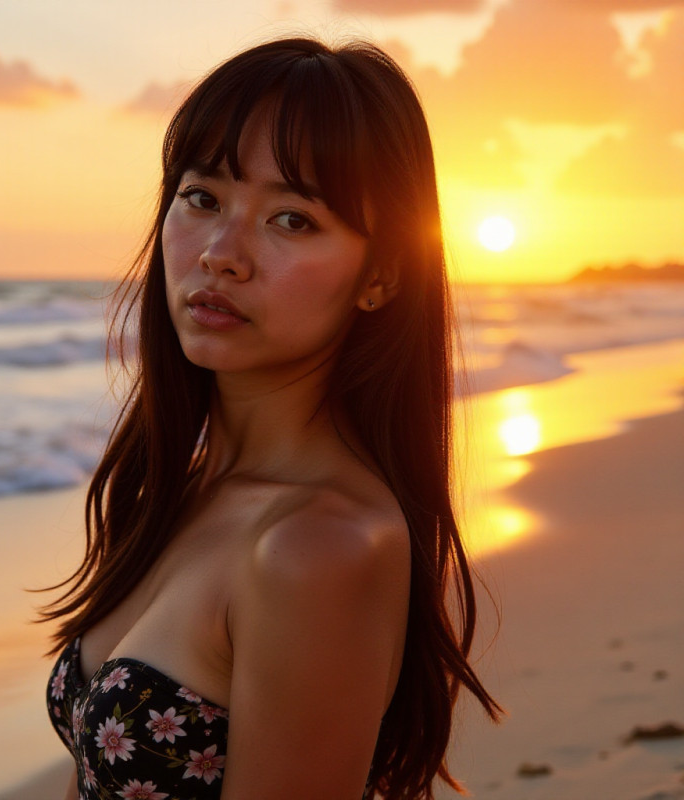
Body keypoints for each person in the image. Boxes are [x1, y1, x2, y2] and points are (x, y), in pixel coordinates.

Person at [42, 36, 500, 800]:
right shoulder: (184, 491)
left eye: (291, 219)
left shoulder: (319, 547)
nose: (222, 253)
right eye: (203, 198)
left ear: (380, 276)